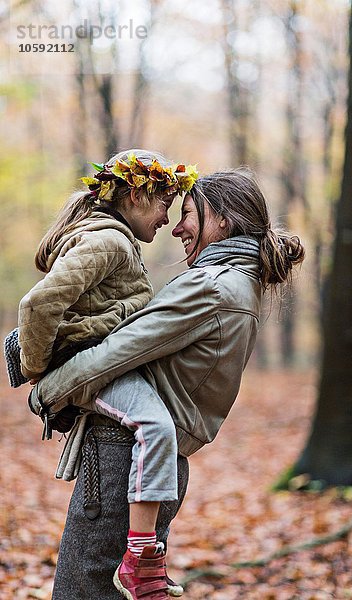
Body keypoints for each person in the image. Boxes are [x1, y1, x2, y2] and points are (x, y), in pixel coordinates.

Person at [29, 168, 305, 600]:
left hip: (124, 457)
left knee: (85, 589)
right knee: (126, 590)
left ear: (222, 221)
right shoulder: (243, 285)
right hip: (160, 465)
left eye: (189, 214)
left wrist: (46, 390)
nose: (177, 228)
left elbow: (118, 350)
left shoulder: (212, 286)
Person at [19, 148, 198, 598]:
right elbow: (37, 304)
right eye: (163, 206)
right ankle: (141, 555)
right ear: (136, 195)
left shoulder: (116, 240)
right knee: (156, 426)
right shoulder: (109, 241)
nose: (165, 219)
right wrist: (41, 368)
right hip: (92, 369)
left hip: (102, 365)